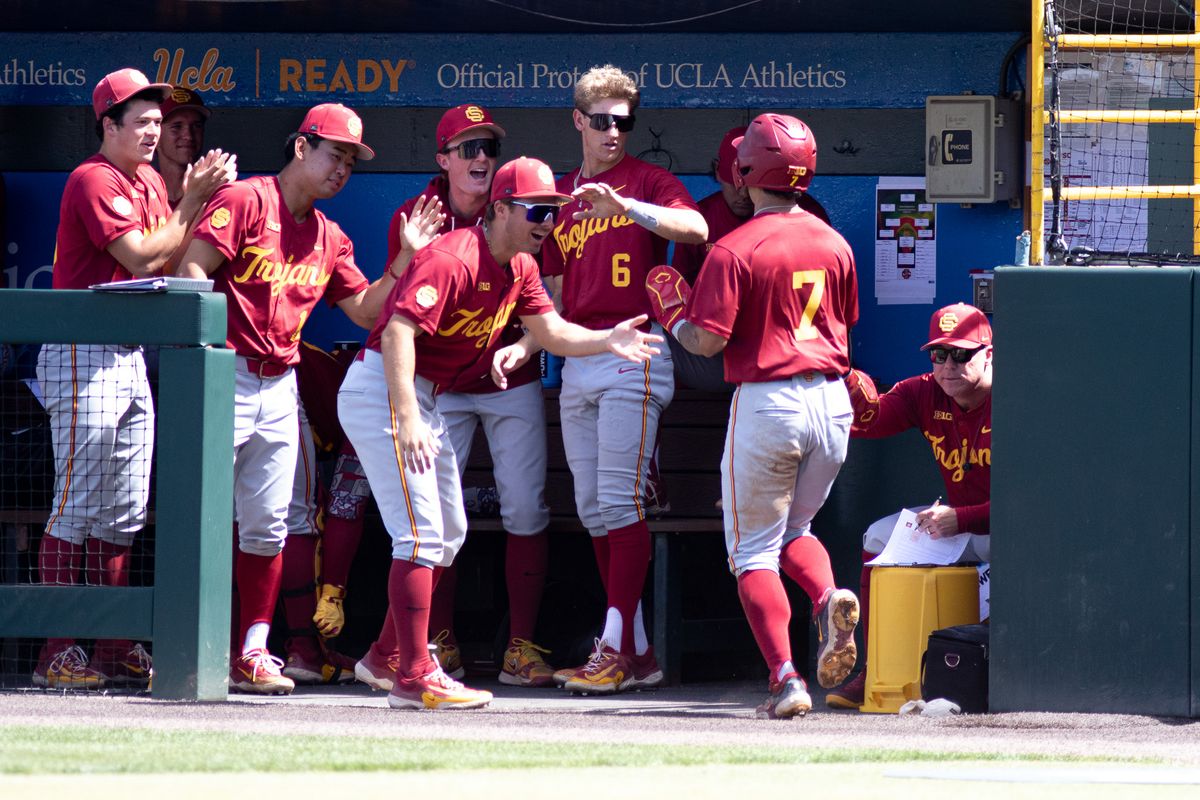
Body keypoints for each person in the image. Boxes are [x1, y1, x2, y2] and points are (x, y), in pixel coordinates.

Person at [340, 156, 663, 711]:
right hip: (384, 391)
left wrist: (605, 339)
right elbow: (396, 332)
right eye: (539, 210)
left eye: (555, 213)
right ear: (502, 209)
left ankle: (383, 655)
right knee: (418, 536)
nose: (548, 222)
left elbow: (552, 331)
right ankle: (414, 676)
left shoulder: (523, 267)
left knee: (447, 535)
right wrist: (406, 418)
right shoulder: (453, 255)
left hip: (425, 393)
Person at [177, 103, 442, 695]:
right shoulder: (247, 200)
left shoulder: (329, 235)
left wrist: (406, 256)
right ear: (301, 148)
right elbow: (193, 272)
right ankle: (192, 642)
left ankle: (252, 649)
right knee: (204, 517)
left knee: (269, 527)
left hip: (279, 381)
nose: (342, 168)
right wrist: (202, 363)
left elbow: (368, 310)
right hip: (224, 371)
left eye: (351, 160)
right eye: (334, 154)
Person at [647, 113, 861, 719]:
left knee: (752, 553)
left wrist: (672, 314)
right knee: (794, 532)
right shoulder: (834, 240)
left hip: (771, 402)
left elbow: (706, 344)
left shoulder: (734, 246)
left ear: (746, 173)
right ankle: (825, 596)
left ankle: (785, 678)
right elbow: (844, 324)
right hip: (831, 402)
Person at [32, 68, 234, 689]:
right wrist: (192, 201)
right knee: (75, 509)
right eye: (140, 121)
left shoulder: (148, 180)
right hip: (80, 349)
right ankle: (55, 652)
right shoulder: (93, 177)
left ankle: (115, 645)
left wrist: (187, 205)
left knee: (123, 513)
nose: (153, 131)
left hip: (127, 355)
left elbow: (170, 259)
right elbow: (141, 256)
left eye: (157, 120)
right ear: (108, 125)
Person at [540, 64, 707, 694]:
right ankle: (637, 651)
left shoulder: (647, 179)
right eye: (603, 120)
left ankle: (613, 646)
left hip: (636, 348)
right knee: (592, 509)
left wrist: (630, 208)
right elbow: (551, 281)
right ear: (579, 121)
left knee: (619, 502)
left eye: (624, 121)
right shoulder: (561, 191)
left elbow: (697, 227)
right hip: (581, 352)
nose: (614, 132)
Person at [826, 303, 993, 710]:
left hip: (1016, 533)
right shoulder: (924, 391)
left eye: (961, 354)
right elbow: (870, 421)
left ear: (989, 354)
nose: (948, 366)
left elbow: (1037, 500)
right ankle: (873, 666)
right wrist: (845, 377)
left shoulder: (1016, 399)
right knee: (879, 536)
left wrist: (964, 518)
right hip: (961, 527)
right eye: (939, 354)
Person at [669, 126, 833, 392]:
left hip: (779, 353)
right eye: (732, 186)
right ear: (717, 174)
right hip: (733, 348)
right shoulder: (703, 217)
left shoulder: (809, 216)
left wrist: (674, 321)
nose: (742, 195)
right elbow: (683, 286)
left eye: (747, 186)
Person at [155, 86, 209, 209]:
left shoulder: (217, 191)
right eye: (176, 126)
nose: (188, 136)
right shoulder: (142, 192)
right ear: (155, 135)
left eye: (196, 126)